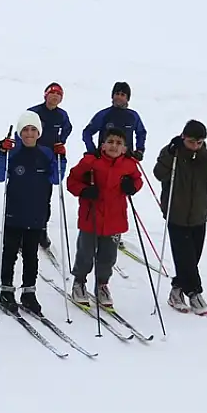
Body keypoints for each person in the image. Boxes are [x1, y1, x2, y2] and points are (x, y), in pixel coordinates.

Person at [152, 120, 207, 315]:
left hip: (198, 214)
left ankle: (176, 290)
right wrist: (171, 154)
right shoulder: (173, 152)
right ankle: (194, 293)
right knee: (185, 255)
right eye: (191, 141)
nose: (195, 145)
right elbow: (159, 173)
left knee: (192, 256)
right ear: (183, 137)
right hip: (175, 212)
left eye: (199, 142)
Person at [0, 112, 60, 315]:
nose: (29, 133)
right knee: (10, 252)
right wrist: (1, 153)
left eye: (33, 130)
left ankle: (29, 293)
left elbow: (56, 178)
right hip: (15, 211)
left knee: (31, 255)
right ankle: (6, 290)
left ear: (39, 132)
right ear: (20, 133)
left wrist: (61, 158)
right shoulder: (14, 152)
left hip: (36, 213)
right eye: (25, 130)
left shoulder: (46, 153)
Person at [66, 127, 142, 308]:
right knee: (85, 253)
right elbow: (72, 181)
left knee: (108, 257)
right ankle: (79, 282)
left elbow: (138, 180)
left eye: (118, 143)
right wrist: (84, 190)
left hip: (115, 219)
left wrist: (131, 186)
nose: (114, 146)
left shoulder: (129, 165)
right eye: (110, 142)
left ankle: (102, 285)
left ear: (124, 148)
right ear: (103, 145)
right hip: (90, 217)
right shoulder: (90, 162)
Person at [27, 81, 73, 252]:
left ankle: (41, 228)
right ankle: (22, 228)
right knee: (26, 194)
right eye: (52, 93)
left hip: (49, 159)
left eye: (58, 94)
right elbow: (22, 129)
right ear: (46, 95)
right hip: (31, 156)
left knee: (44, 196)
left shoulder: (62, 115)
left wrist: (61, 143)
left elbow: (67, 129)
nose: (55, 97)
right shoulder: (34, 112)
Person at [83, 81, 148, 160]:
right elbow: (87, 132)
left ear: (127, 98)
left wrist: (140, 150)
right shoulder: (104, 114)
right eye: (117, 94)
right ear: (112, 96)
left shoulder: (133, 116)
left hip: (126, 159)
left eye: (122, 95)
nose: (119, 97)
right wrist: (92, 150)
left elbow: (141, 133)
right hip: (105, 159)